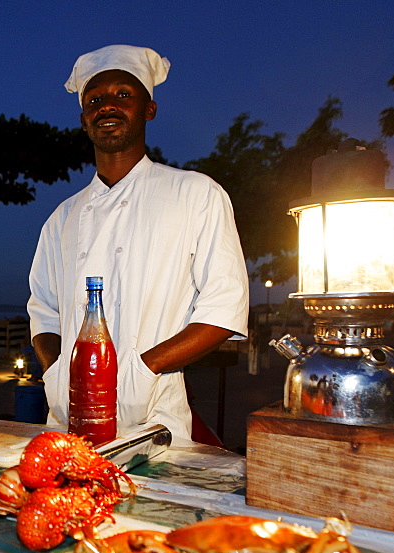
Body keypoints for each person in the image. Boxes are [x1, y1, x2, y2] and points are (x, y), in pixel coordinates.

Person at [27, 44, 249, 441]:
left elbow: (223, 308)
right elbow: (43, 310)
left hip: (153, 423)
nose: (107, 105)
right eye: (95, 99)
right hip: (65, 425)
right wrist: (59, 368)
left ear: (149, 109)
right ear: (84, 119)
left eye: (123, 95)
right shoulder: (61, 218)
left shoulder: (195, 194)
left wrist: (142, 370)